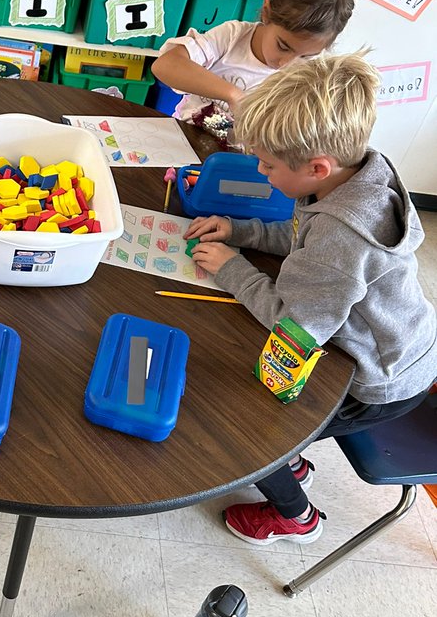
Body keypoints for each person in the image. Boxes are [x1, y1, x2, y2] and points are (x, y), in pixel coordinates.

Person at [184, 53, 437, 545]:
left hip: (377, 382)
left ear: (318, 166)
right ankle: (296, 466)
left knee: (250, 436)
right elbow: (304, 233)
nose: (260, 171)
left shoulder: (343, 239)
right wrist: (243, 230)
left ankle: (296, 517)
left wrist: (232, 270)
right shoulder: (356, 173)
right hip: (395, 346)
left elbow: (293, 326)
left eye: (268, 164)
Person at [151, 0, 355, 138]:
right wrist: (233, 95)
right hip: (187, 137)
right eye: (283, 46)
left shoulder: (312, 73)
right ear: (266, 12)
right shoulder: (232, 37)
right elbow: (165, 66)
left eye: (306, 56)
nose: (287, 64)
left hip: (244, 163)